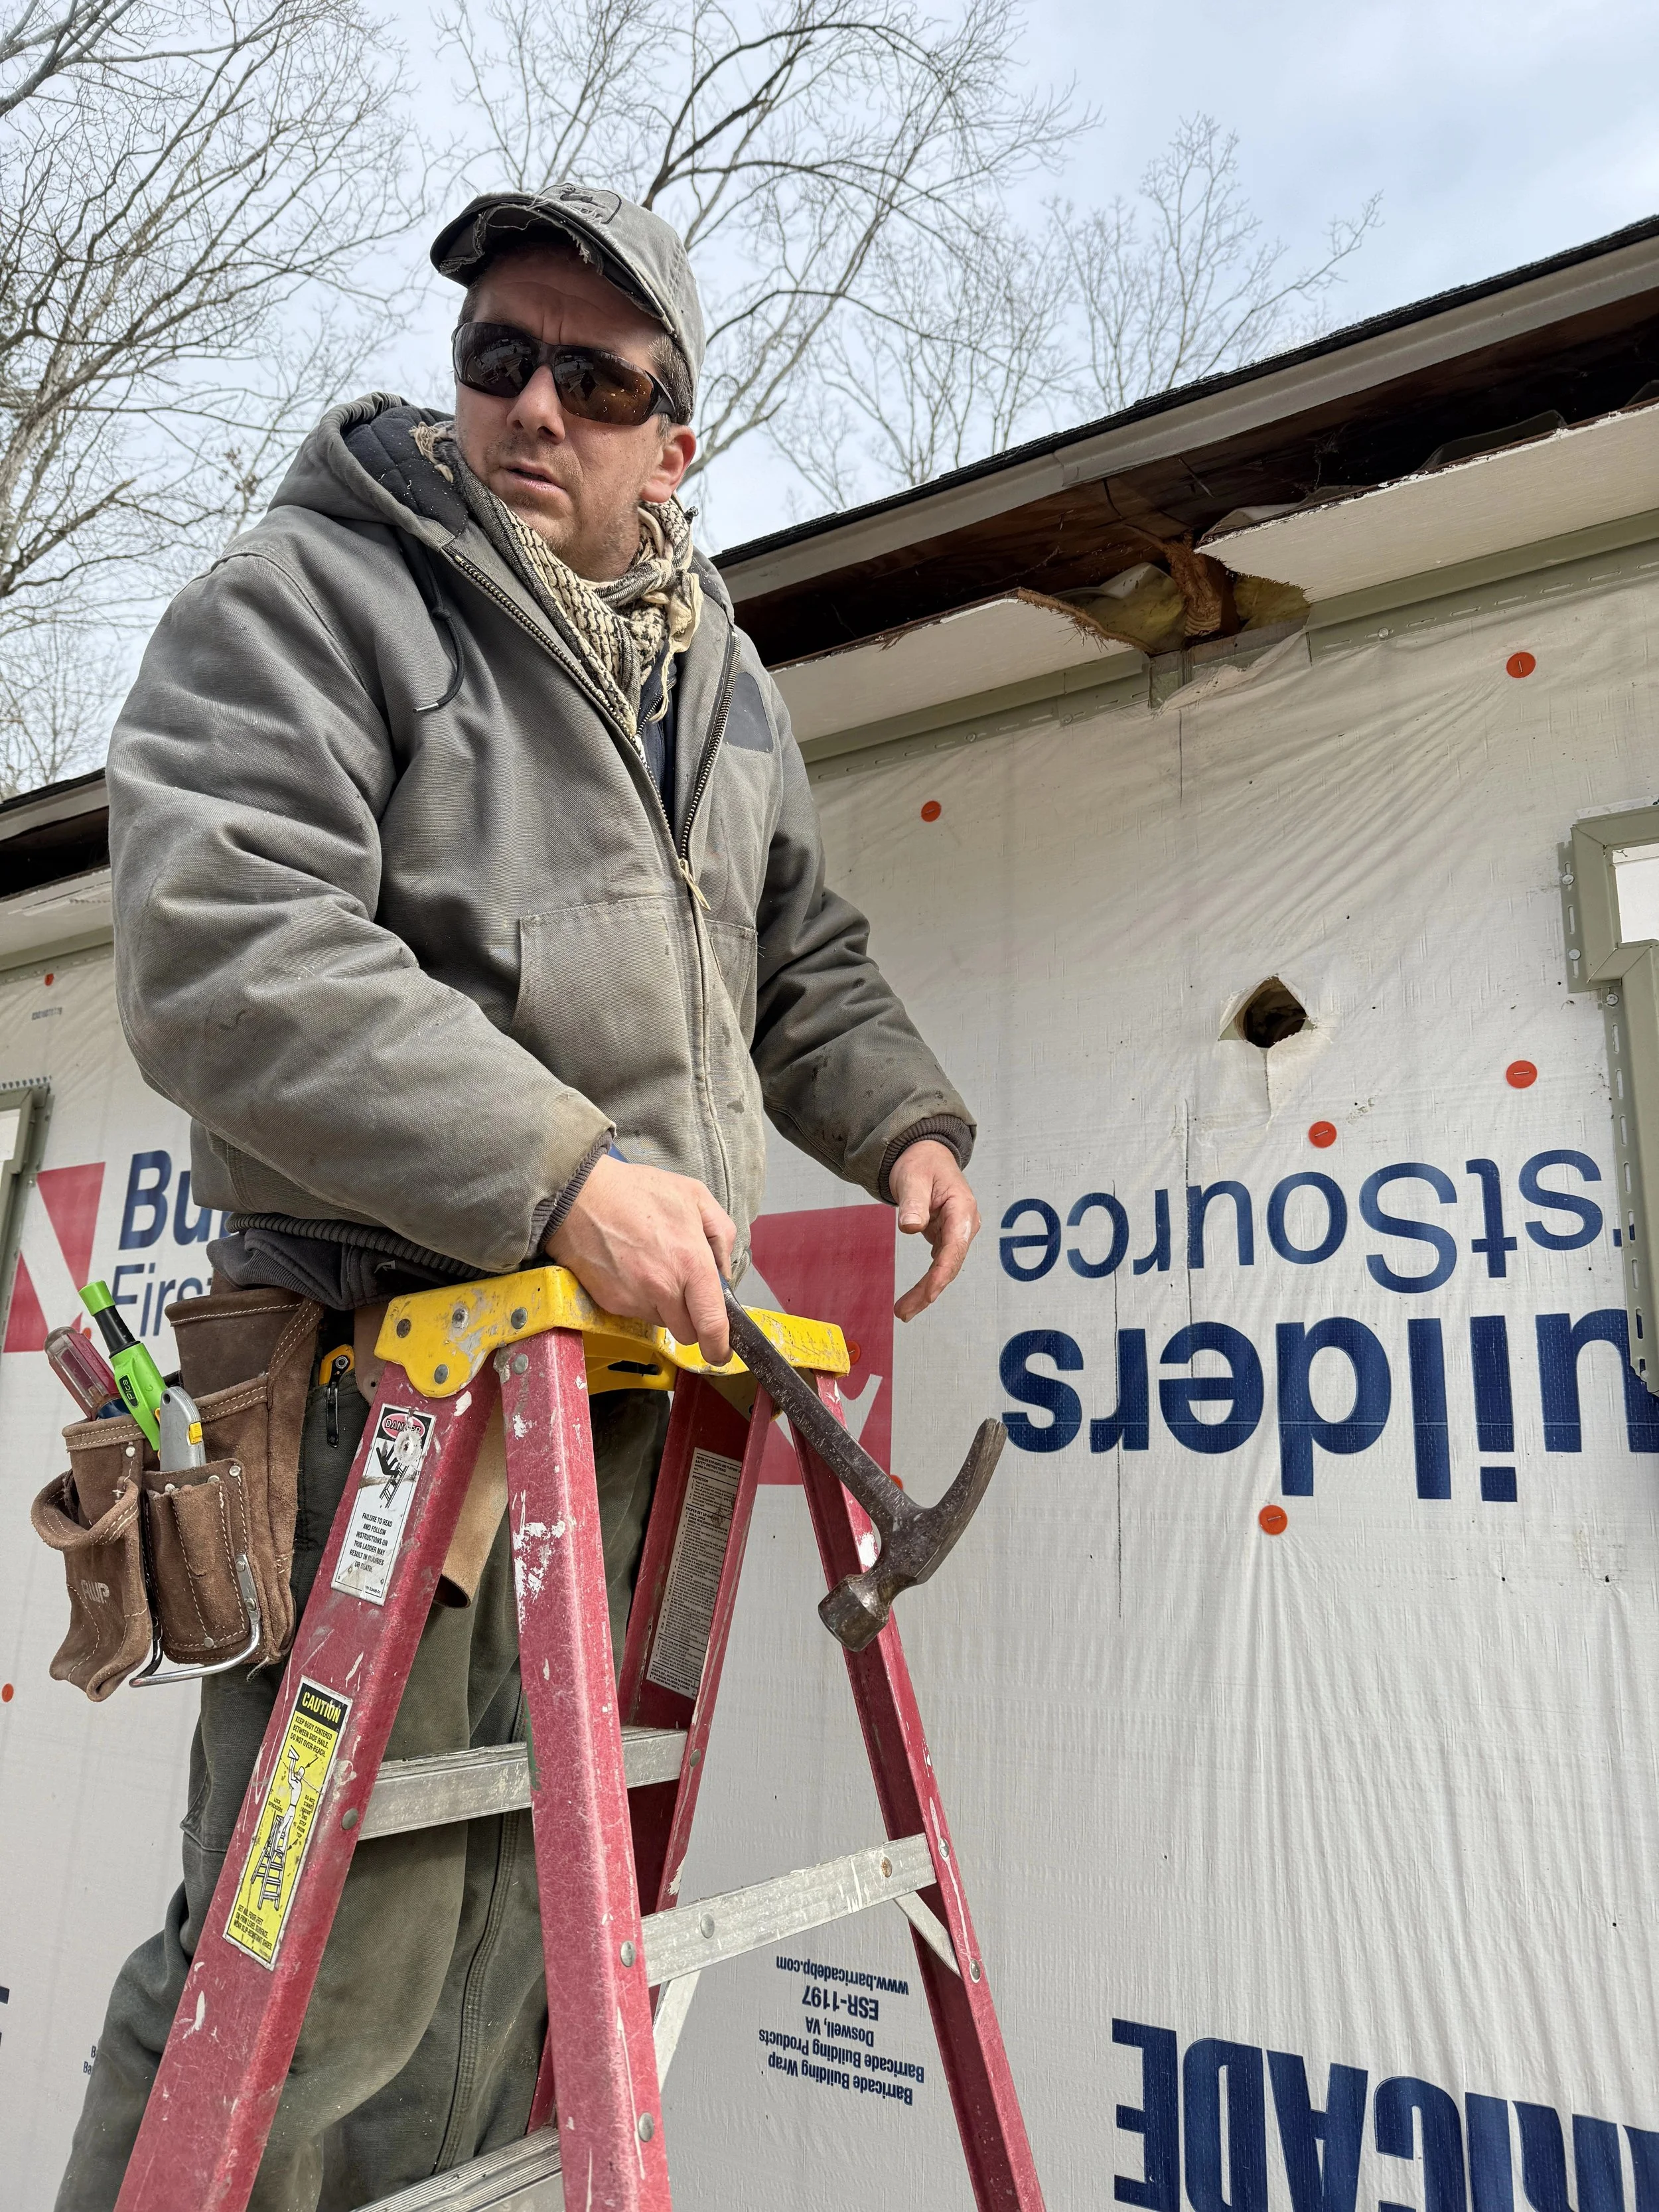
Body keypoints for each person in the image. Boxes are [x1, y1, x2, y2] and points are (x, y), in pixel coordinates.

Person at [58, 184, 979, 2211]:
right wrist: (564, 1174)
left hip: (613, 1393)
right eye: (495, 354)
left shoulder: (718, 676)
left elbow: (793, 951)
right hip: (376, 1388)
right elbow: (227, 955)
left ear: (676, 442)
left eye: (593, 375)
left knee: (508, 1972)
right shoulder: (312, 597)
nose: (531, 404)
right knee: (308, 1963)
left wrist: (900, 1112)